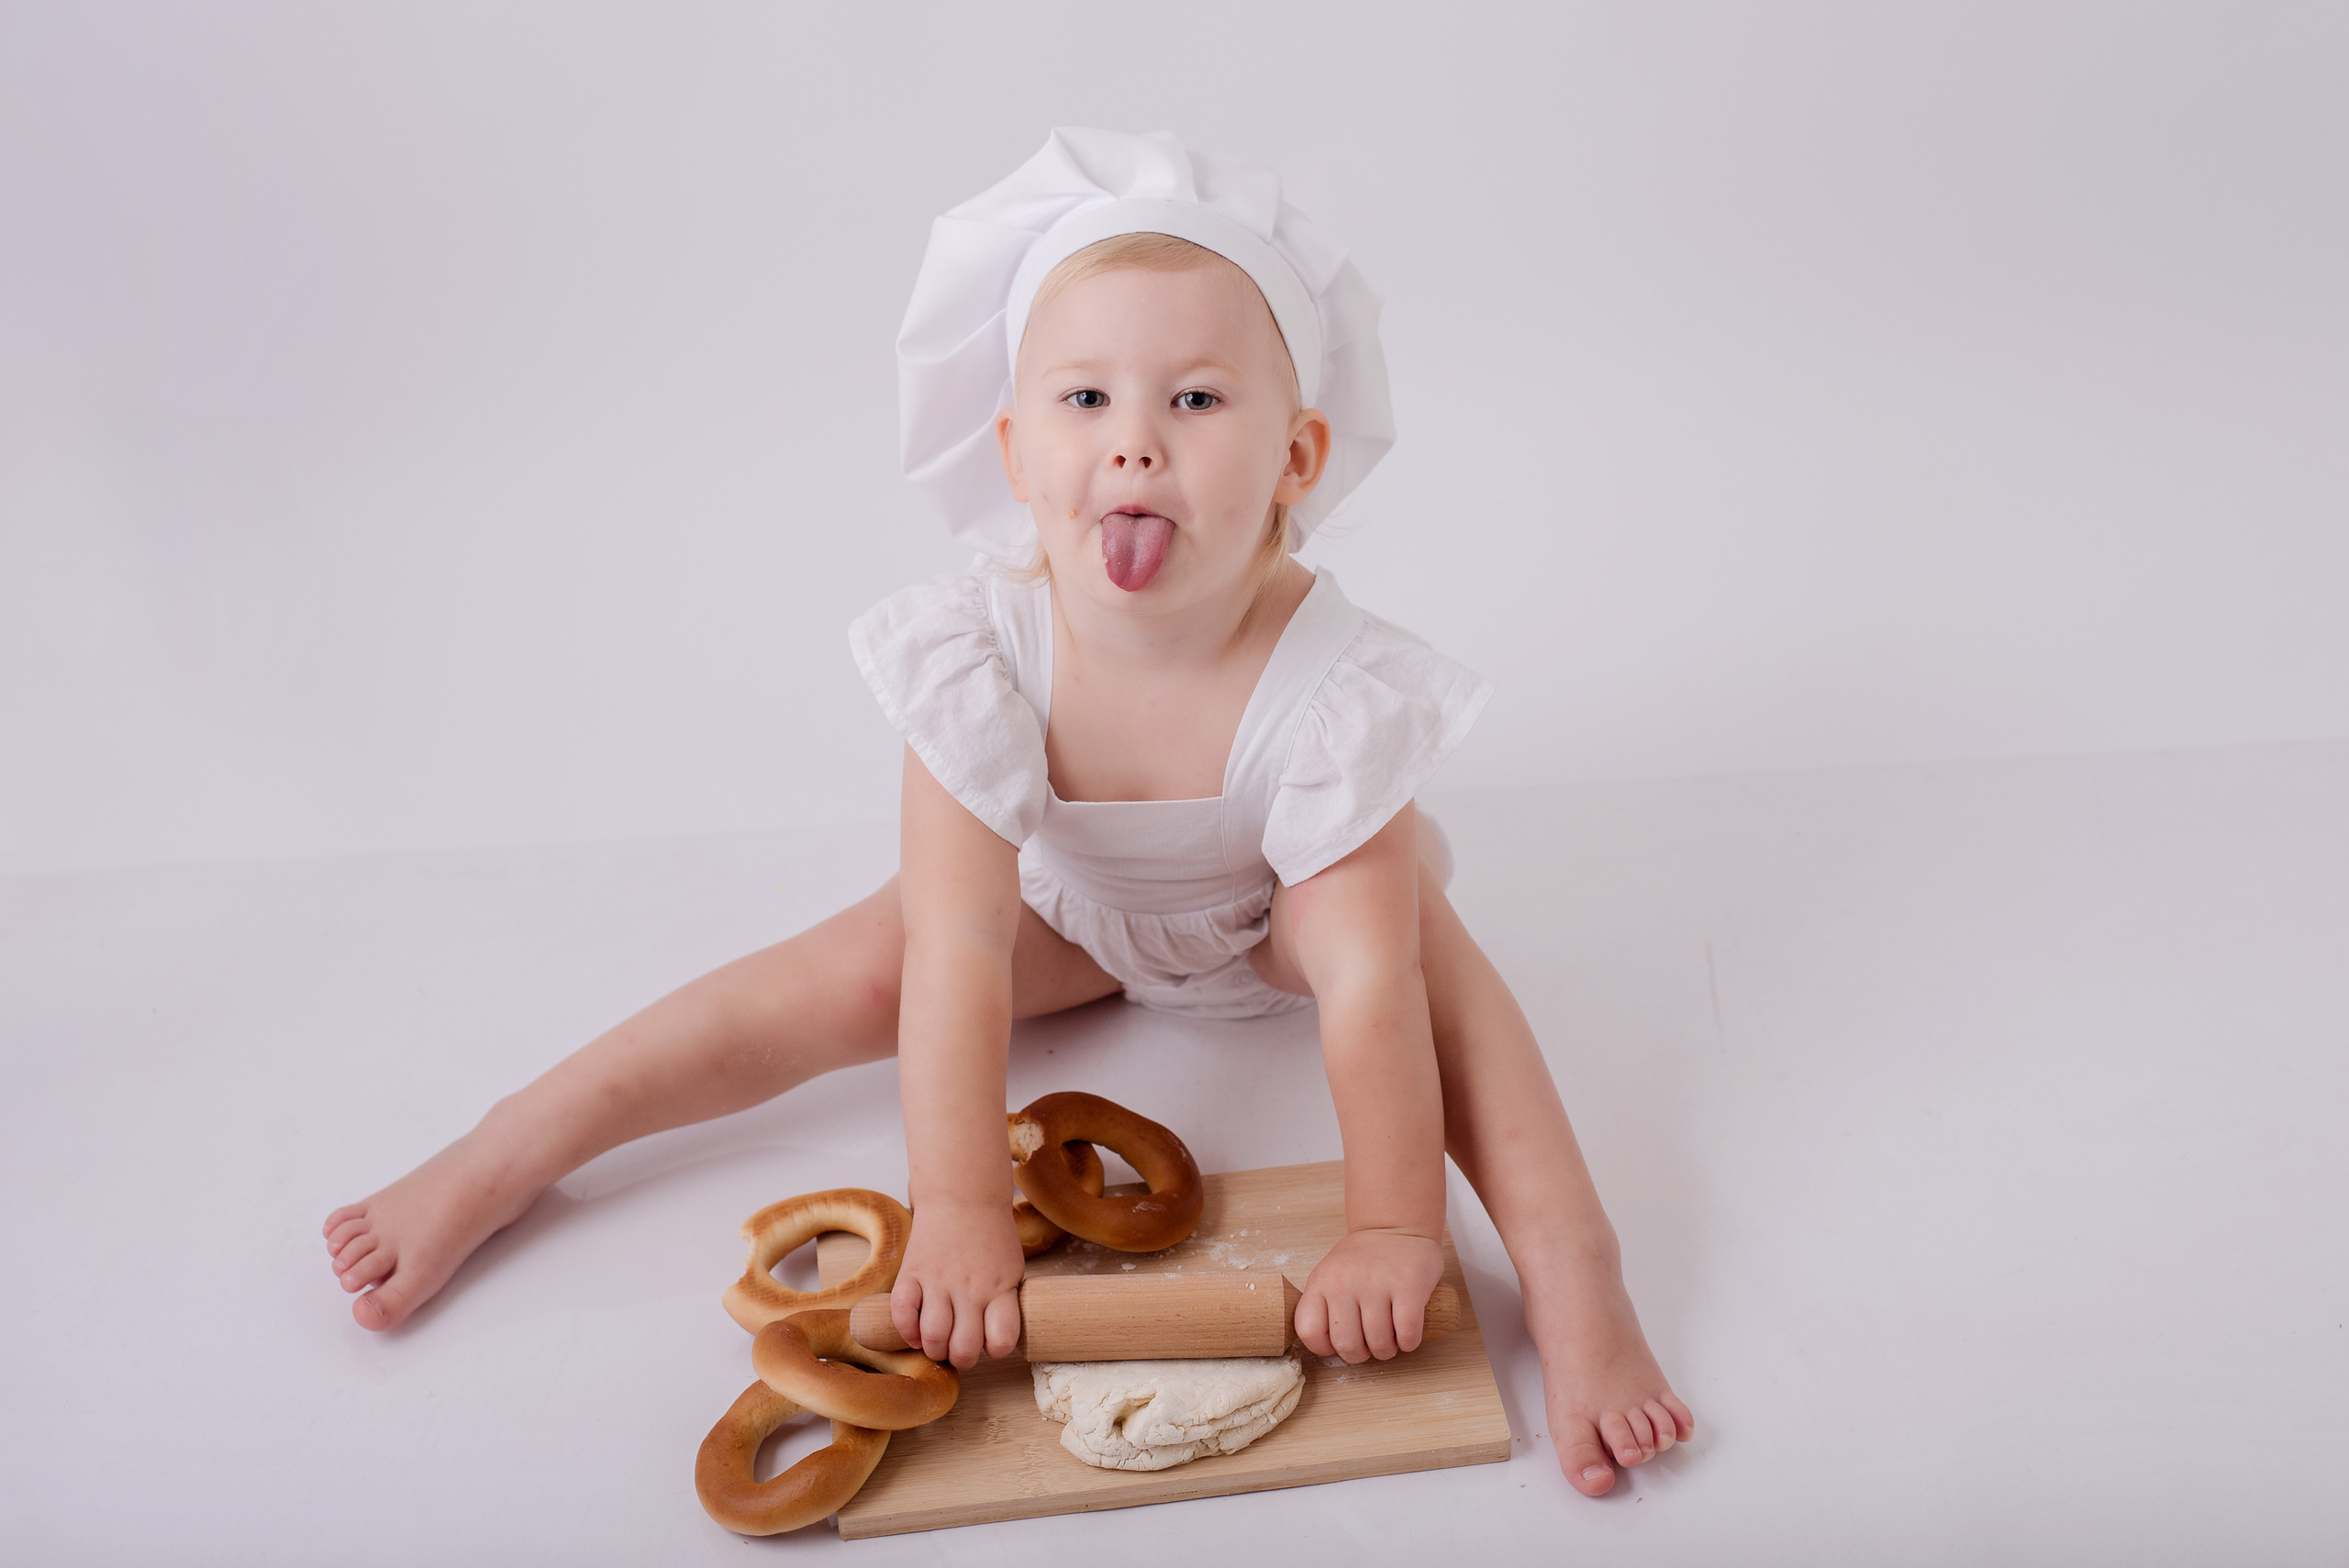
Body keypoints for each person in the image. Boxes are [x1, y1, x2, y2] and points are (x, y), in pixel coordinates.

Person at [322, 128, 1694, 1496]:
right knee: (855, 964)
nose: (1135, 447)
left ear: (1298, 453)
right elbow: (962, 951)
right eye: (1084, 400)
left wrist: (1394, 1228)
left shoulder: (1334, 692)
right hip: (1063, 912)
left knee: (1427, 969)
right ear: (1013, 450)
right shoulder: (984, 656)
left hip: (1279, 911)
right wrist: (965, 1203)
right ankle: (515, 1145)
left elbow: (1362, 988)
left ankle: (1580, 1276)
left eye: (1199, 402)